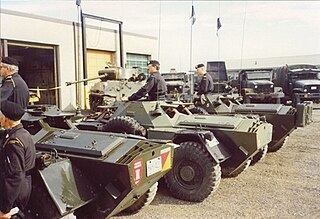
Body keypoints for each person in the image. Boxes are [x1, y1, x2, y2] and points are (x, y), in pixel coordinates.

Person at [0, 100, 36, 219]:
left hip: (15, 192)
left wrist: (5, 208)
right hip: (24, 185)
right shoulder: (24, 134)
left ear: (6, 119)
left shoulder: (14, 142)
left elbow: (15, 176)